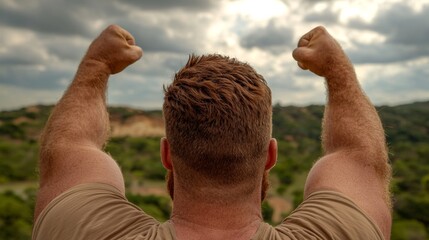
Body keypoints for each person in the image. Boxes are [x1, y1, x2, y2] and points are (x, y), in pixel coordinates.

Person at [32, 25, 392, 240]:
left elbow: (68, 147)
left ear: (167, 154)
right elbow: (358, 156)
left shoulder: (82, 229)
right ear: (270, 155)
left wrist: (97, 65)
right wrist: (337, 71)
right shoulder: (342, 232)